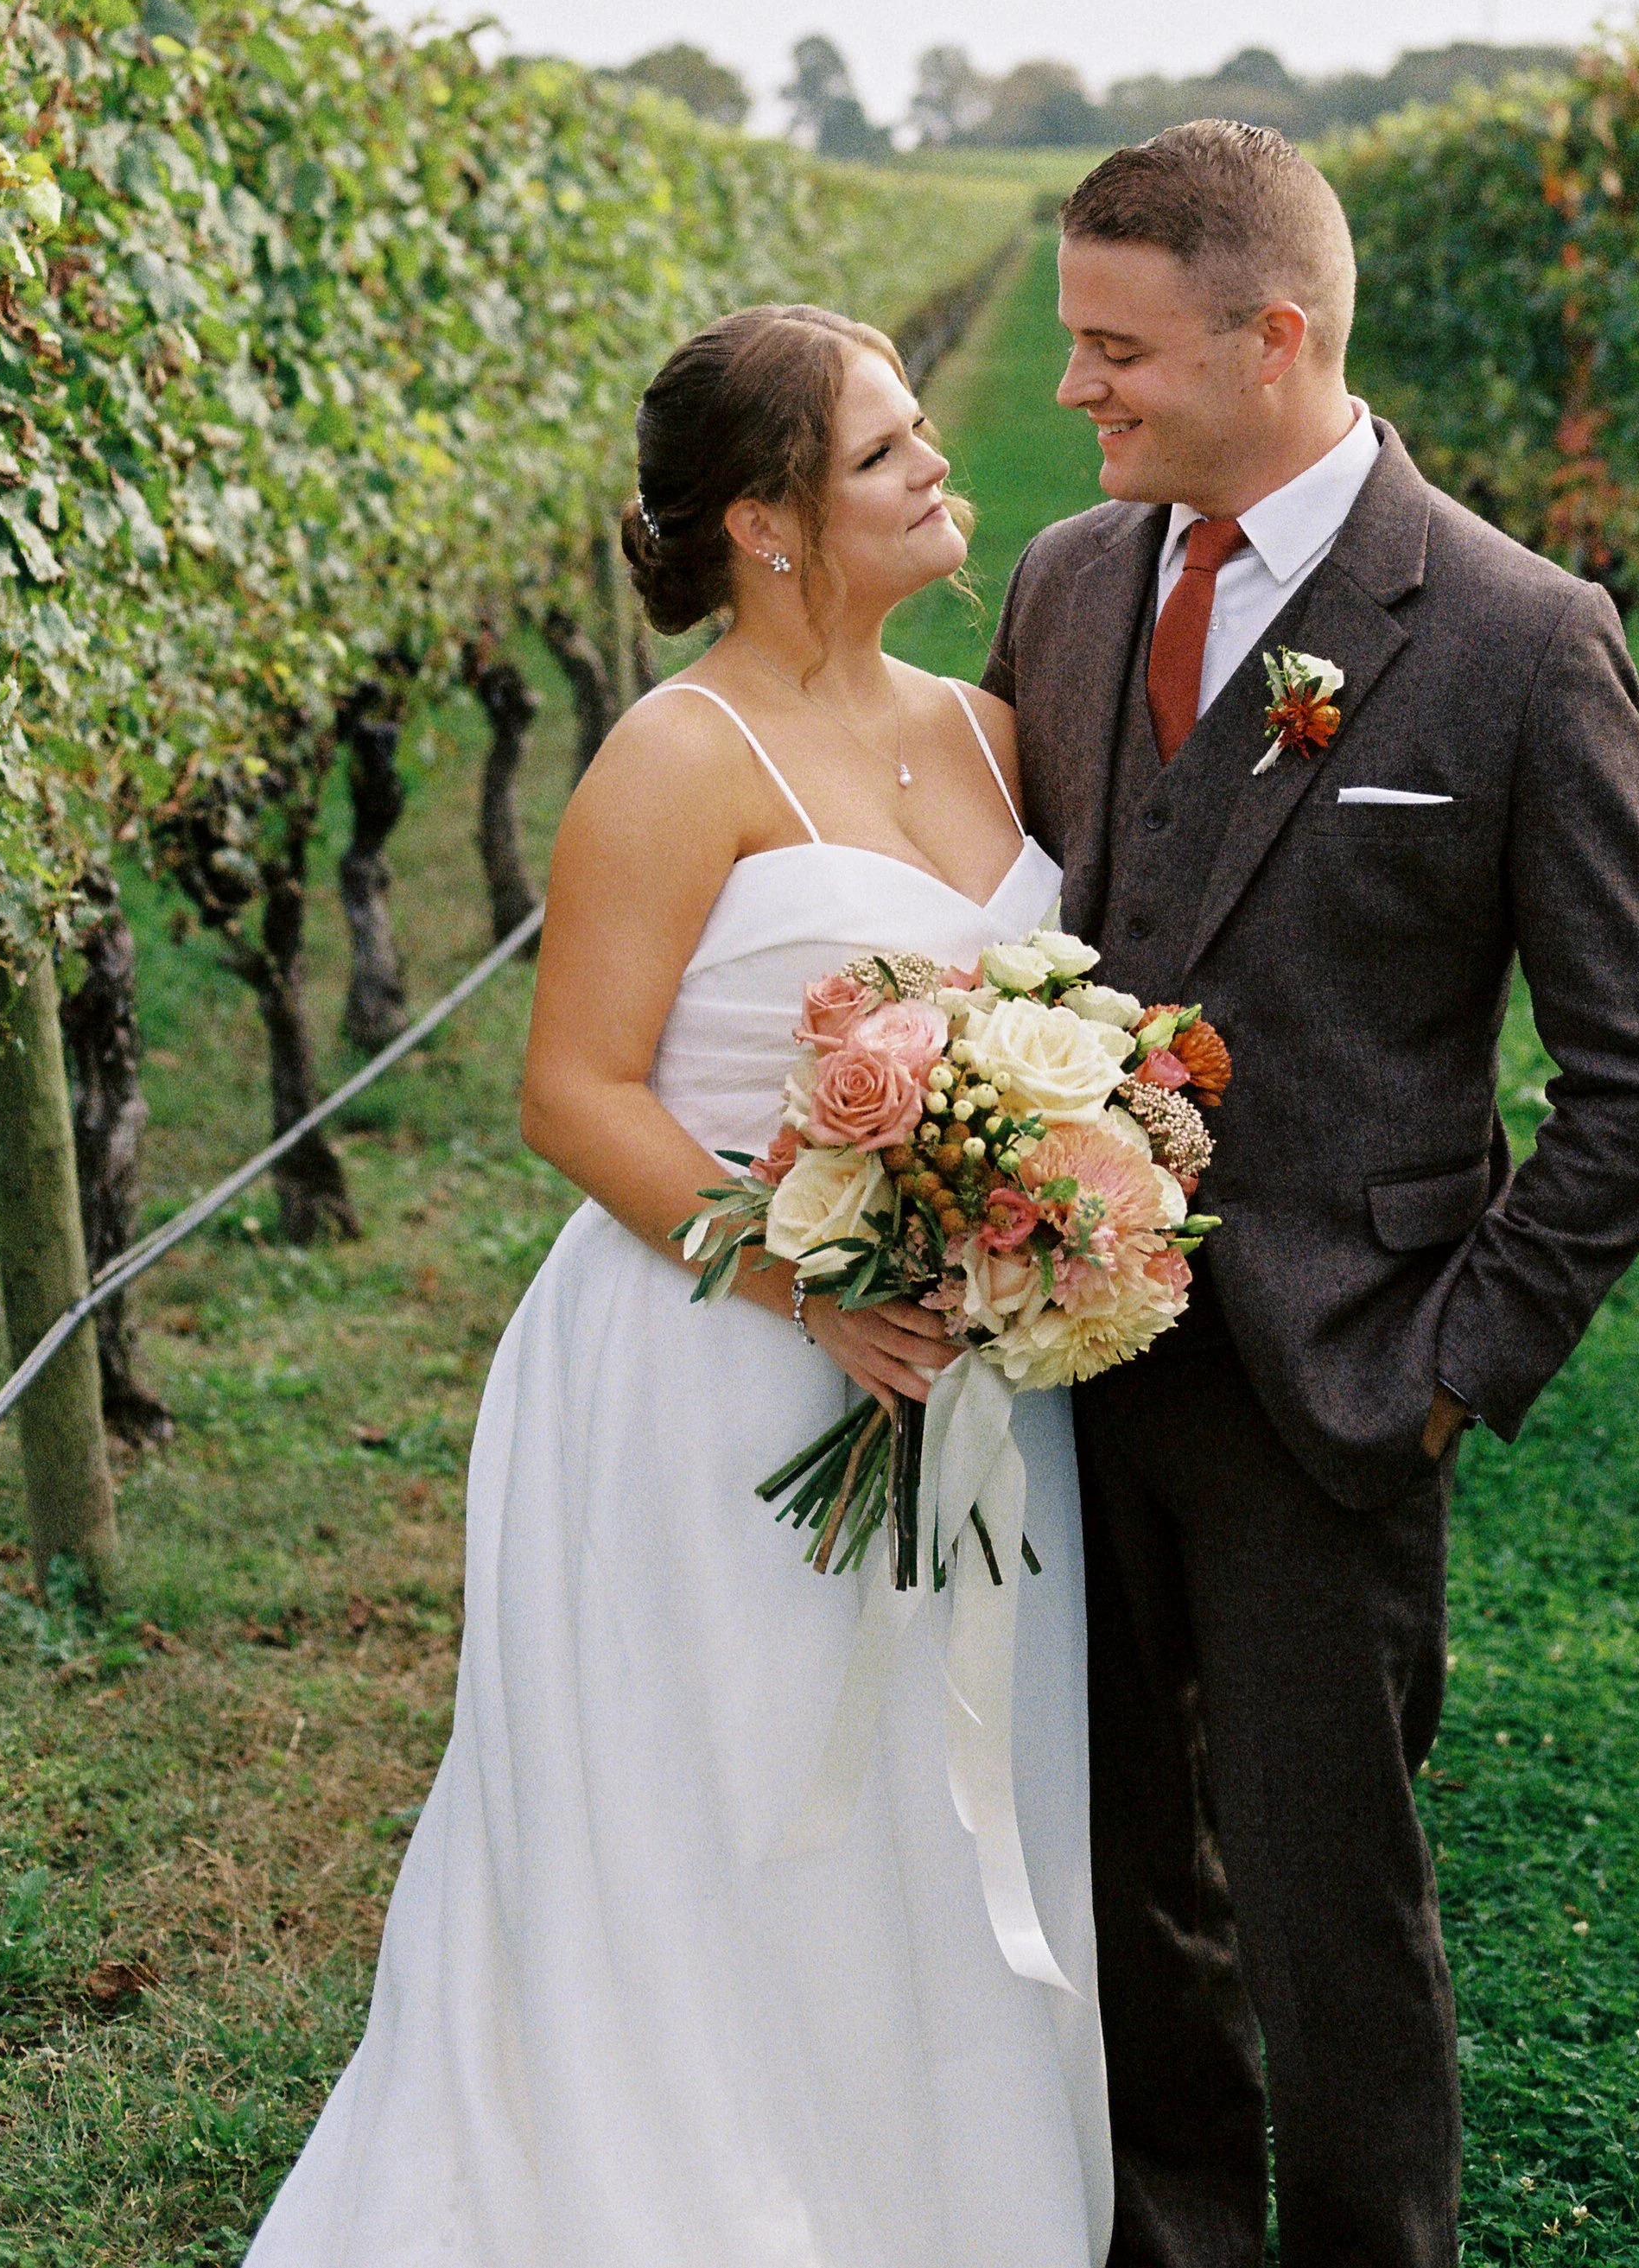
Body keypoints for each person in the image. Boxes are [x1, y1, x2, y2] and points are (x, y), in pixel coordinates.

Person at [246, 305, 1109, 2268]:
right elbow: (573, 1089)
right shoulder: (672, 752)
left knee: (933, 1811)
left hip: (967, 1382)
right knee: (719, 1822)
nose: (935, 471)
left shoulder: (991, 726)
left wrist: (1052, 1201)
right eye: (886, 450)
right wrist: (809, 1284)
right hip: (712, 1373)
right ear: (770, 524)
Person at [982, 122, 1639, 2268]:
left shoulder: (1509, 632)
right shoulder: (1063, 578)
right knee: (1115, 1868)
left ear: (1273, 335)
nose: (1076, 391)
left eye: (1116, 348)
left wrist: (1454, 1363)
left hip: (1334, 1382)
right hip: (1055, 1365)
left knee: (1332, 1910)